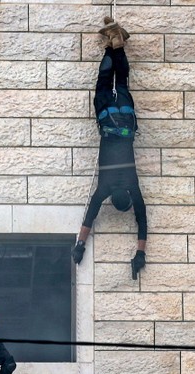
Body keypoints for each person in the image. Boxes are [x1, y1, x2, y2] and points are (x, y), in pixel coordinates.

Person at [72, 17, 147, 280]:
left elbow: (142, 220)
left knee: (122, 81)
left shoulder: (132, 186)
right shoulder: (103, 188)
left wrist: (141, 251)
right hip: (107, 118)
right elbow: (89, 216)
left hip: (125, 119)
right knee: (105, 81)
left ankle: (115, 43)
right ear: (114, 200)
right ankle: (112, 43)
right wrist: (79, 245)